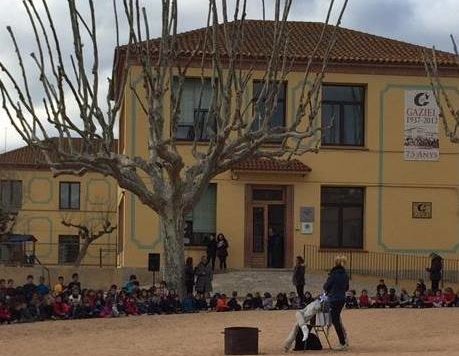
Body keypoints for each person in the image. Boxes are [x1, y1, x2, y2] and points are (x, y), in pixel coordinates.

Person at [323, 255, 349, 351]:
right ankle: (344, 340)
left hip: (334, 299)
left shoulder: (333, 274)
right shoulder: (345, 274)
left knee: (336, 321)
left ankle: (342, 342)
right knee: (337, 319)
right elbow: (347, 288)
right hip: (342, 299)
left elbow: (326, 286)